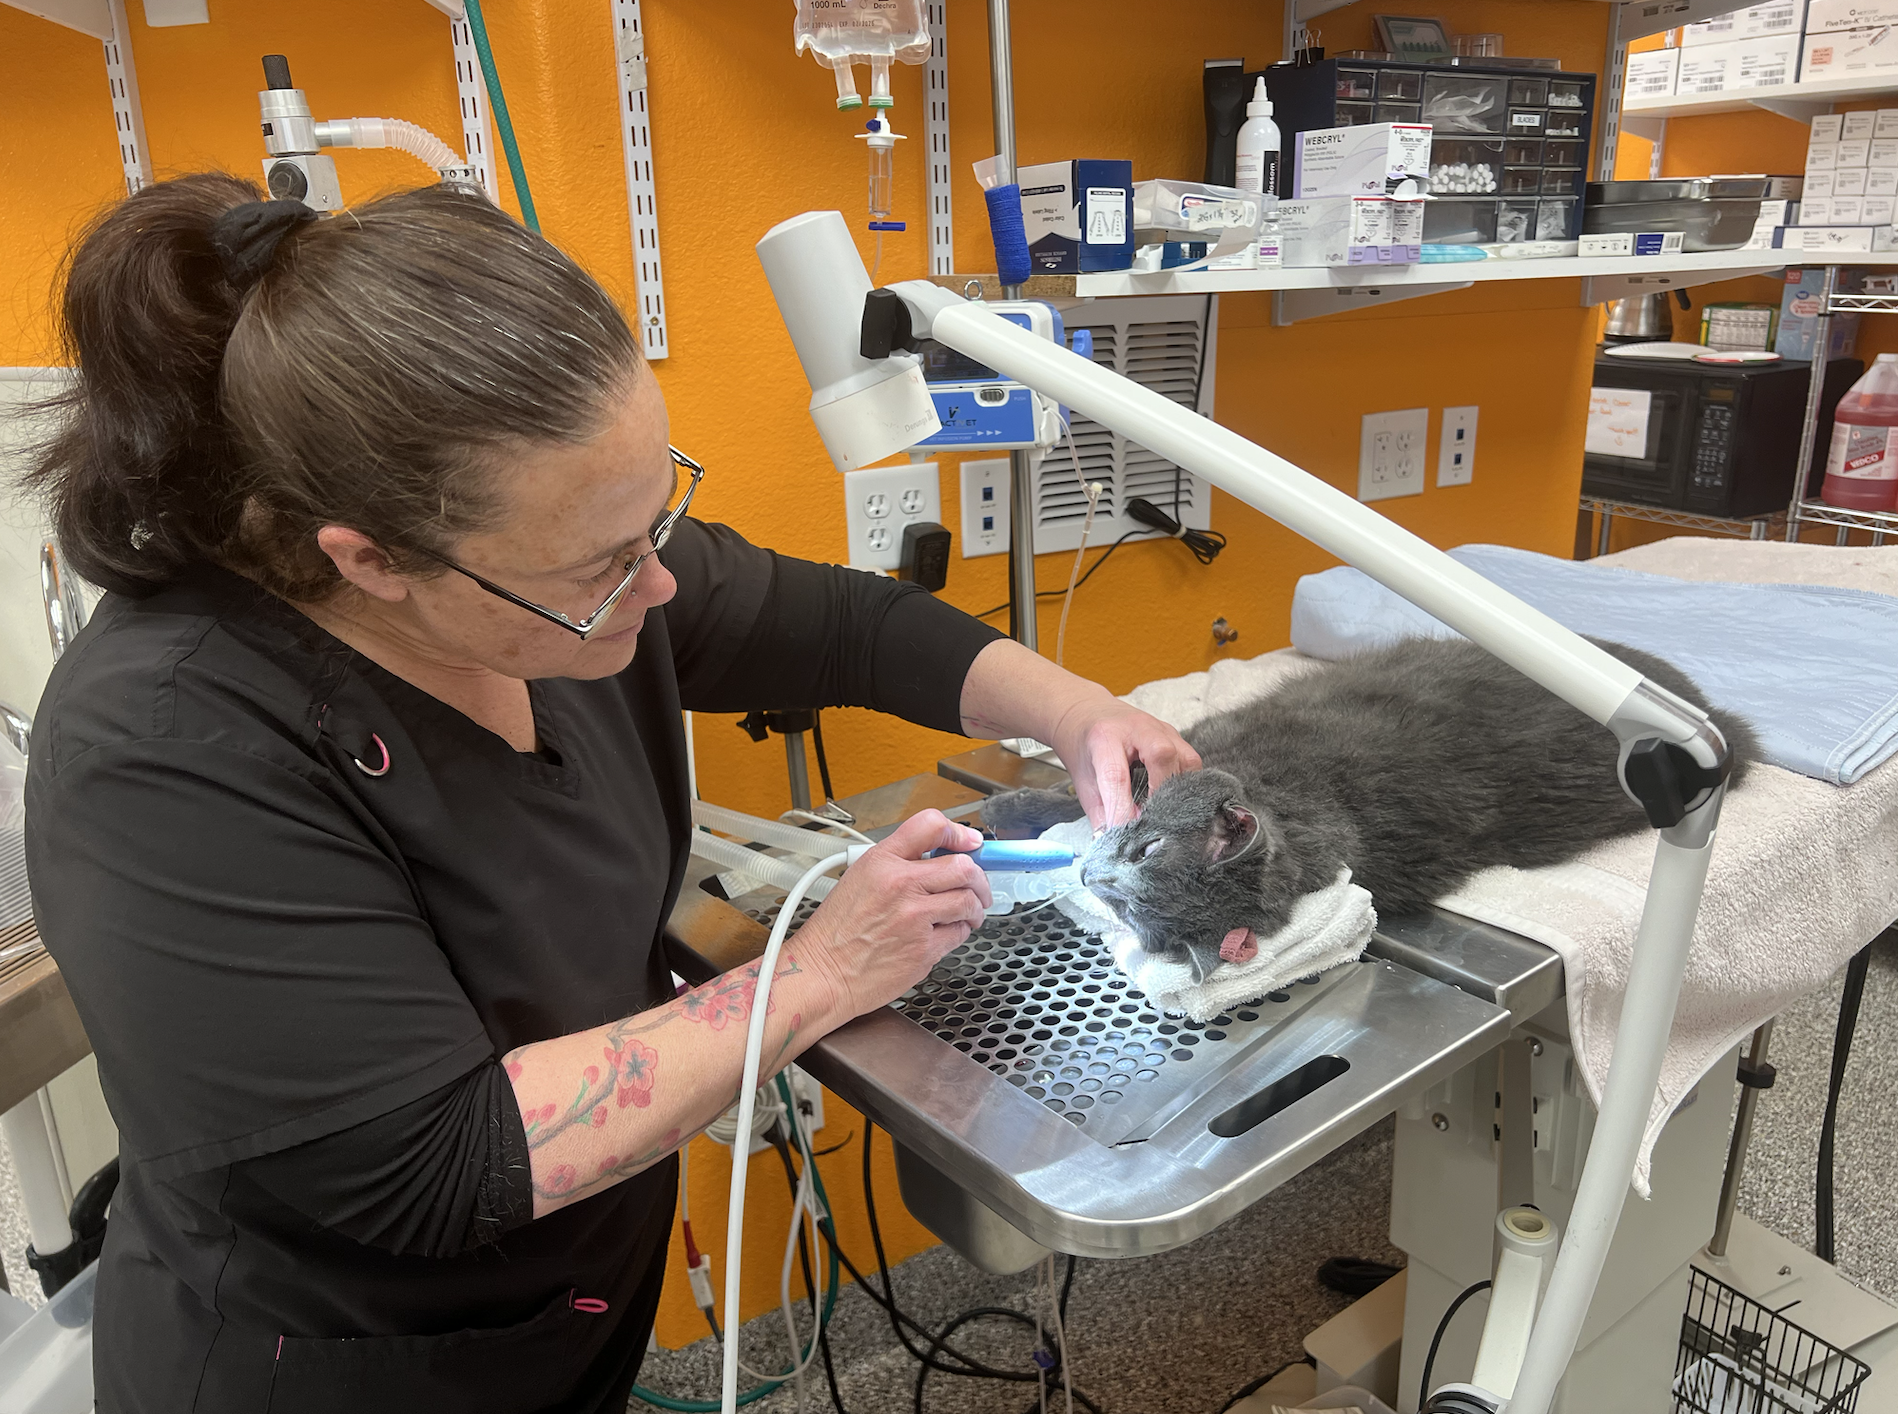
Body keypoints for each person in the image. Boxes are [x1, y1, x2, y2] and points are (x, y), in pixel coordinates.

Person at [21, 173, 1199, 1413]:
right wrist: (818, 973)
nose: (658, 588)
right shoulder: (164, 750)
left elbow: (842, 625)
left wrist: (1075, 710)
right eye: (602, 564)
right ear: (369, 560)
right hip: (340, 1368)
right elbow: (432, 1161)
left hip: (561, 1313)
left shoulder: (563, 577)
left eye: (657, 519)